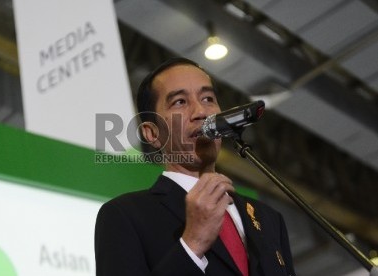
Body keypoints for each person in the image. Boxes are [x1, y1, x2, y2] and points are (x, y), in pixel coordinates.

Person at [94, 57, 296, 276]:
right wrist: (193, 244)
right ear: (152, 133)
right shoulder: (125, 216)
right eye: (180, 102)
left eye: (208, 98)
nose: (201, 111)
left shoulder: (269, 219)